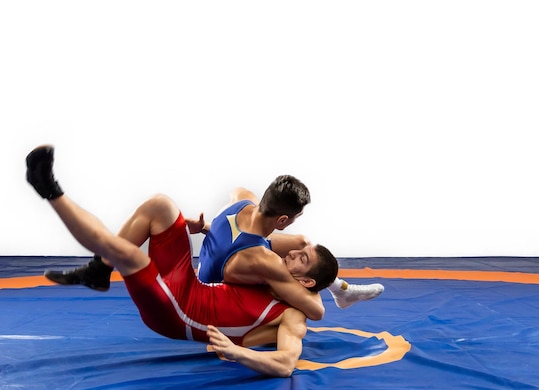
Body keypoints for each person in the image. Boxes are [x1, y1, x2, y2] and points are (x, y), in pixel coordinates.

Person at [25, 145, 337, 377]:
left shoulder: (290, 309)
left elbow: (289, 357)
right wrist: (327, 279)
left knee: (127, 254)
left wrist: (239, 353)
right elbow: (311, 290)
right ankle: (99, 269)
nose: (291, 254)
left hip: (180, 310)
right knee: (160, 205)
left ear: (306, 282)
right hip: (189, 282)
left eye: (301, 259)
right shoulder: (269, 267)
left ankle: (50, 190)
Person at [46, 177, 383, 314]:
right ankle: (334, 287)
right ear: (283, 219)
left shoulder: (240, 199)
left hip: (213, 257)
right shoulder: (262, 260)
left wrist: (207, 227)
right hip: (195, 297)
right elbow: (315, 311)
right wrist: (308, 284)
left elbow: (267, 237)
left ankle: (340, 288)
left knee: (307, 244)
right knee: (300, 263)